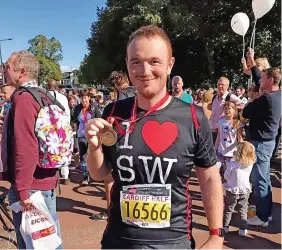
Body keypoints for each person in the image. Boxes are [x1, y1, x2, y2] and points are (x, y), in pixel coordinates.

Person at [85, 25, 223, 249]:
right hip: (119, 241)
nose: (145, 70)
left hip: (173, 242)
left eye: (154, 61)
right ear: (128, 65)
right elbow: (100, 172)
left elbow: (208, 177)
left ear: (170, 65)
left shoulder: (193, 117)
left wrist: (216, 235)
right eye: (136, 61)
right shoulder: (113, 112)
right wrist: (93, 148)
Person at [1, 50, 62, 249]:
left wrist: (23, 189)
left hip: (32, 185)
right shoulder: (42, 95)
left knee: (35, 244)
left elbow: (25, 147)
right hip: (45, 179)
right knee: (48, 241)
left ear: (22, 71)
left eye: (7, 66)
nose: (4, 70)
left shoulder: (24, 99)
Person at [243, 67, 281, 227]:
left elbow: (245, 112)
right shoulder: (278, 94)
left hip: (261, 144)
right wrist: (253, 67)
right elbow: (259, 77)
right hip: (267, 142)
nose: (260, 80)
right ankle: (266, 213)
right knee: (264, 179)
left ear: (270, 80)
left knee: (259, 181)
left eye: (263, 77)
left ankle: (262, 217)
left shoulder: (266, 99)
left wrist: (253, 97)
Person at [223, 141, 256, 236]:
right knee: (243, 209)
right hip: (245, 190)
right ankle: (243, 229)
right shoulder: (250, 163)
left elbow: (226, 176)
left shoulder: (232, 163)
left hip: (232, 189)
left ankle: (225, 227)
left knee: (229, 209)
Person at [74, 89, 101, 185]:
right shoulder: (77, 108)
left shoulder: (94, 108)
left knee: (93, 155)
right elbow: (75, 122)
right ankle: (85, 176)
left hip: (93, 134)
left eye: (85, 98)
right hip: (81, 134)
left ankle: (94, 173)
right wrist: (76, 133)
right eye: (82, 98)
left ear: (89, 98)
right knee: (83, 155)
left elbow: (99, 120)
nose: (84, 100)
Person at [47, 79, 71, 184]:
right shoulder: (63, 97)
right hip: (62, 127)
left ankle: (50, 172)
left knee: (49, 150)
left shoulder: (43, 96)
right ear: (57, 87)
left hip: (49, 128)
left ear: (47, 86)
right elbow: (67, 114)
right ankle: (65, 176)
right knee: (63, 150)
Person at [209, 77, 245, 144]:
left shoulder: (230, 96)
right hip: (212, 129)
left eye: (222, 84)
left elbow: (243, 105)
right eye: (218, 84)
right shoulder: (214, 97)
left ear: (227, 86)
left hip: (223, 130)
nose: (220, 86)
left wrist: (231, 107)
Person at [215, 101, 243, 178]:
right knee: (217, 169)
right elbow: (218, 136)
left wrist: (241, 150)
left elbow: (239, 138)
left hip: (231, 152)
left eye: (229, 108)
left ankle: (228, 185)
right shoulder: (221, 121)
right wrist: (215, 148)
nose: (227, 110)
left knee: (229, 172)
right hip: (221, 151)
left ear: (234, 110)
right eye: (225, 109)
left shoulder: (237, 123)